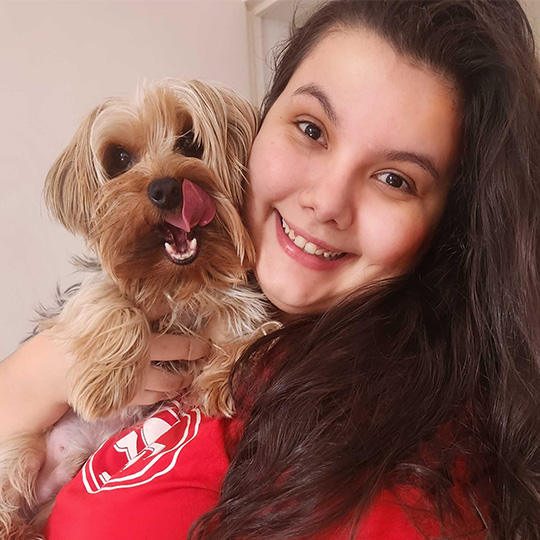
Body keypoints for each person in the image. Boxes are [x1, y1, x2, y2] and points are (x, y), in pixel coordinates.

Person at [1, 0, 539, 538]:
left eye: (395, 179)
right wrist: (34, 377)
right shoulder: (160, 308)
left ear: (452, 226)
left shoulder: (412, 474)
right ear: (263, 125)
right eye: (311, 128)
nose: (325, 202)